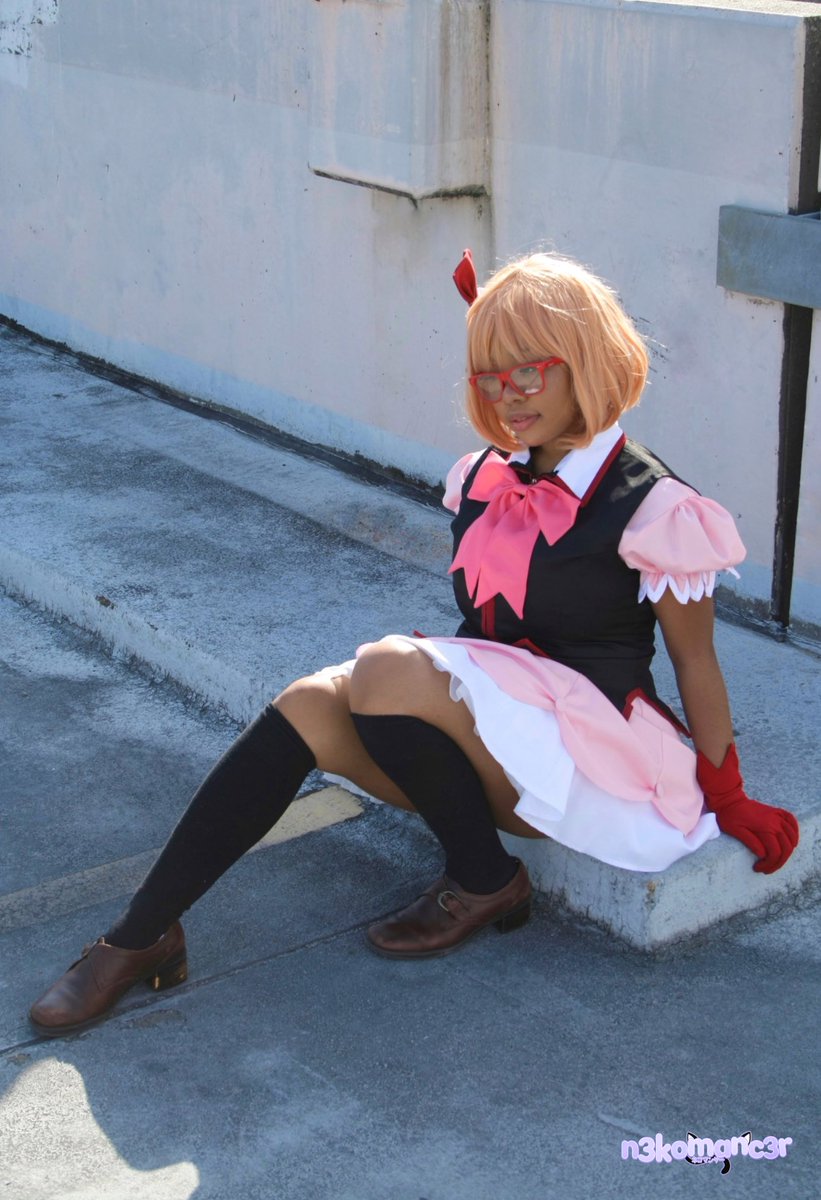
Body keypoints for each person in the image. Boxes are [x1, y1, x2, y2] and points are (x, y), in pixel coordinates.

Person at [29, 250, 799, 1038]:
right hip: (496, 736)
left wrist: (727, 794)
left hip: (588, 762)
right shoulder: (483, 477)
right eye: (490, 378)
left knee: (386, 669)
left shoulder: (655, 508)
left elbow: (694, 660)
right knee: (308, 703)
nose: (507, 396)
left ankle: (480, 876)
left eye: (528, 372)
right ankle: (140, 938)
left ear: (587, 361)